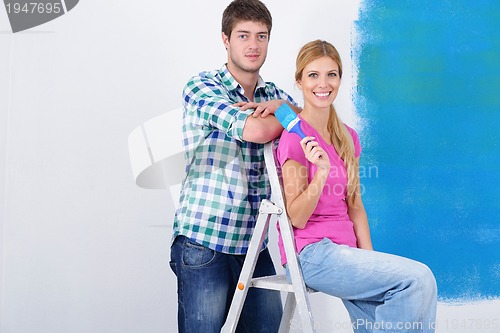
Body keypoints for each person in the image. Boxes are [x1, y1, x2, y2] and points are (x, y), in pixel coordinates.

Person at [277, 40, 437, 333]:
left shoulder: (348, 136)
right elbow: (296, 217)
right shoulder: (294, 139)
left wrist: (371, 261)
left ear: (339, 79)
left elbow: (355, 207)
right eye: (313, 75)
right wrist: (321, 172)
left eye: (331, 74)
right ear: (299, 81)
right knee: (418, 278)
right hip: (313, 254)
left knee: (386, 312)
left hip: (347, 253)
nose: (323, 83)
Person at [169, 1, 300, 332]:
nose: (253, 45)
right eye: (243, 35)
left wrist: (286, 108)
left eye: (261, 36)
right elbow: (255, 131)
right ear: (226, 39)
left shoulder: (273, 94)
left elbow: (313, 126)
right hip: (205, 239)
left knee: (269, 326)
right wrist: (288, 114)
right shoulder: (203, 86)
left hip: (254, 244)